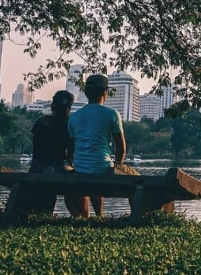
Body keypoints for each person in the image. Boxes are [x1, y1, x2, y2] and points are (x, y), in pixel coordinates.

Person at [67, 74, 126, 217]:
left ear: (86, 93)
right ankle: (99, 216)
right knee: (104, 168)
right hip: (103, 168)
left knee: (85, 175)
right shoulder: (112, 114)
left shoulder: (74, 117)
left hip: (80, 168)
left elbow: (71, 149)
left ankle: (87, 217)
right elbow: (121, 147)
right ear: (105, 92)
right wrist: (117, 165)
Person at [26, 90, 74, 215]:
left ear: (53, 106)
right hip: (57, 169)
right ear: (69, 108)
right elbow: (71, 151)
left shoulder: (41, 122)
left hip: (36, 168)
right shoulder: (70, 125)